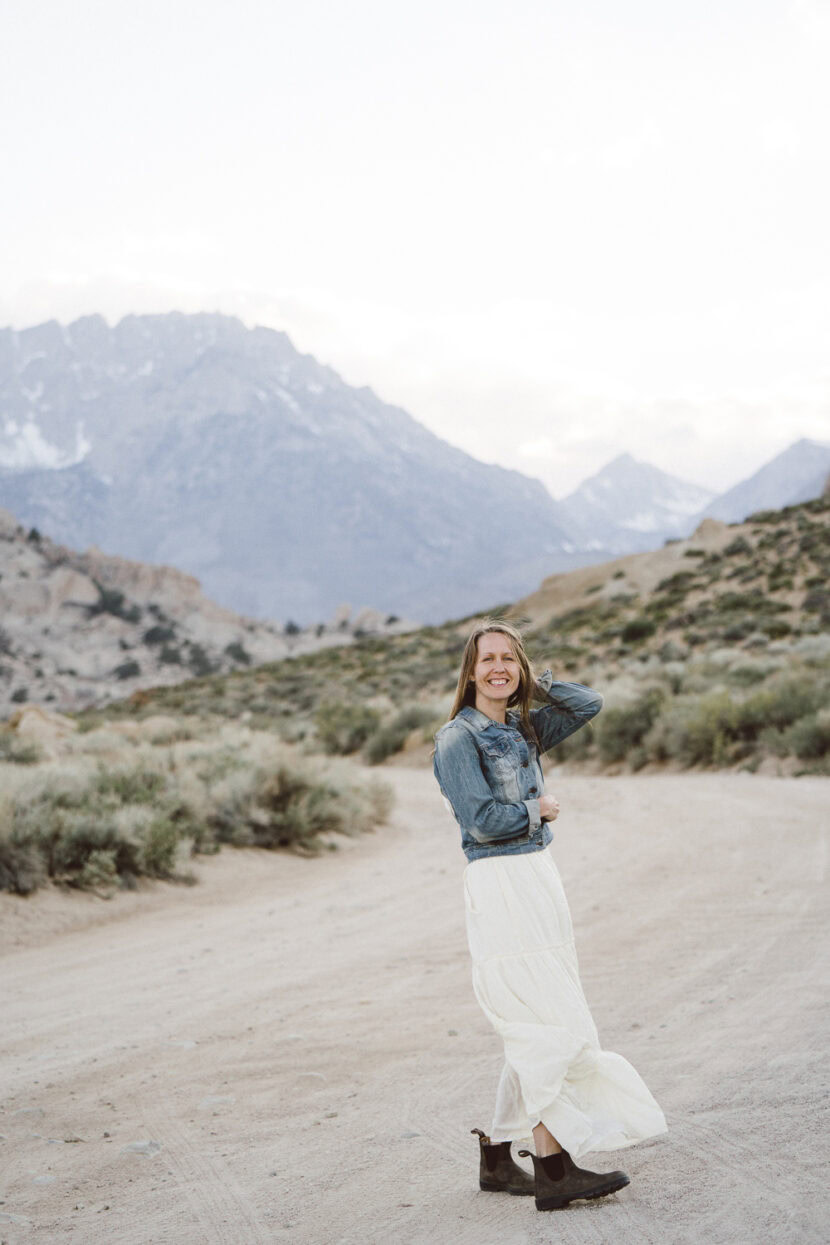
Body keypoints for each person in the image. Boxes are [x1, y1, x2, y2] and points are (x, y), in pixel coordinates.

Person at [433, 618, 667, 1212]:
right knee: (545, 1018)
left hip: (537, 878)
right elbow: (482, 820)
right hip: (501, 881)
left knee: (536, 1010)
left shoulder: (522, 727)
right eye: (488, 660)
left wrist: (536, 680)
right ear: (469, 669)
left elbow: (588, 703)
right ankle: (553, 1169)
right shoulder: (457, 739)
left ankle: (497, 1156)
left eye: (510, 659)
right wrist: (538, 809)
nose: (499, 669)